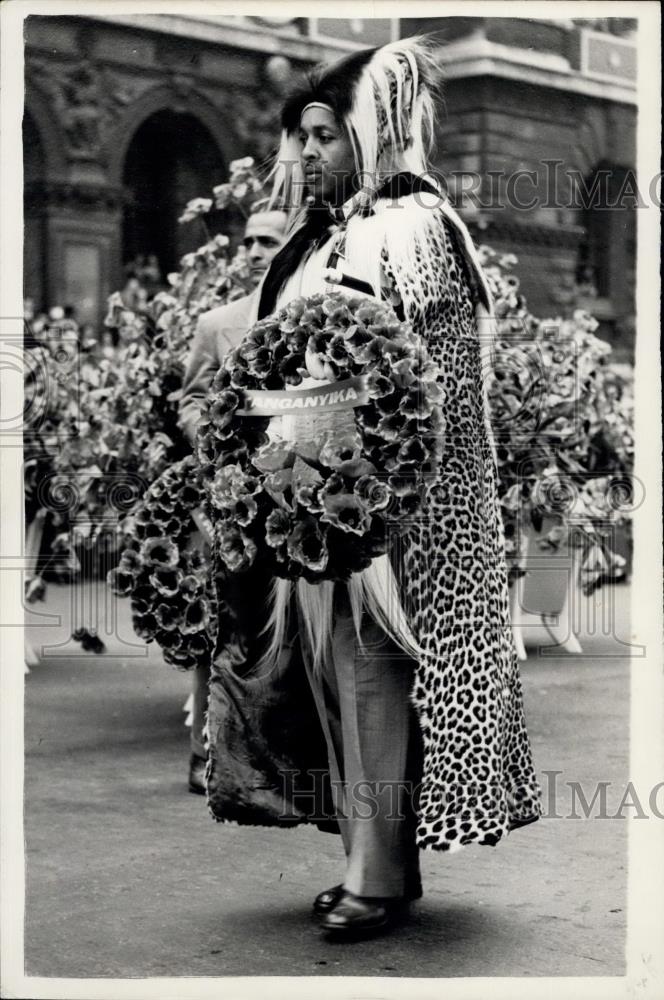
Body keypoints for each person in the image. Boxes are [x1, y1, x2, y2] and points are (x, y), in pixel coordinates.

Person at [206, 36, 542, 938]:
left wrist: (356, 476)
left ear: (368, 131)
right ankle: (370, 860)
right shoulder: (335, 235)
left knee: (375, 681)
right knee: (343, 681)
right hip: (323, 496)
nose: (305, 154)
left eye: (322, 135)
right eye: (301, 137)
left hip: (398, 515)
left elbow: (423, 385)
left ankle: (379, 876)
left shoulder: (415, 227)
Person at [178, 205, 288, 793]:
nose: (251, 250)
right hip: (230, 498)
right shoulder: (217, 322)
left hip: (299, 502)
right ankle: (204, 752)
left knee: (285, 630)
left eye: (267, 241)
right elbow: (190, 399)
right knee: (218, 622)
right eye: (247, 240)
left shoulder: (313, 319)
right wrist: (219, 441)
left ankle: (273, 756)